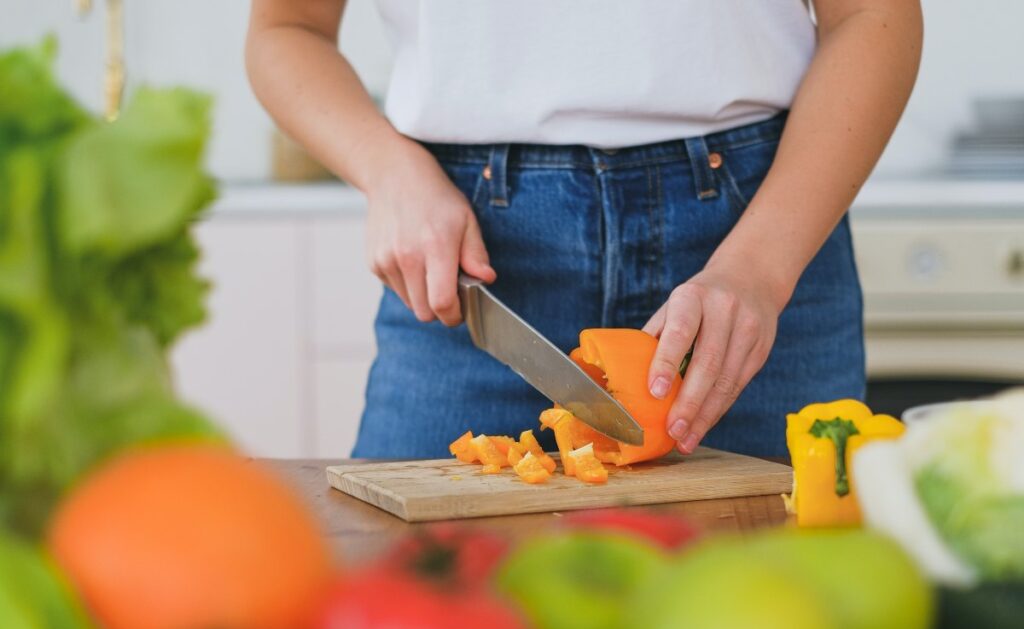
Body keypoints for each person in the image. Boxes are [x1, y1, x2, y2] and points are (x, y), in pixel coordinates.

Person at [246, 1, 923, 459]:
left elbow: (872, 13)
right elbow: (287, 30)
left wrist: (761, 266)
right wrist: (386, 170)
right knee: (407, 603)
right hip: (474, 260)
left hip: (757, 239)